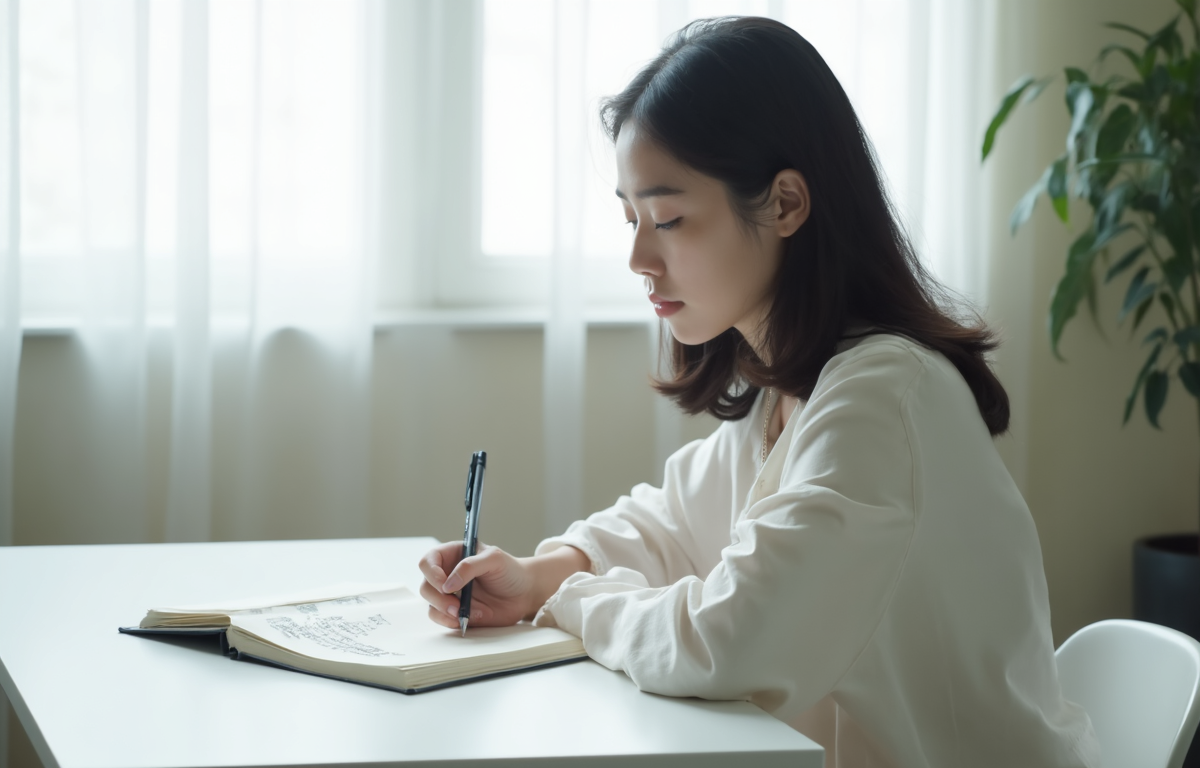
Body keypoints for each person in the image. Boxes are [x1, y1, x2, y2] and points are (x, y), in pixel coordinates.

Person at [418, 16, 1100, 768]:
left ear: (785, 204)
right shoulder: (792, 393)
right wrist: (537, 574)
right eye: (630, 219)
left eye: (669, 218)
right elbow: (669, 526)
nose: (640, 257)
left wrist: (568, 603)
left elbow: (727, 644)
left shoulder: (883, 397)